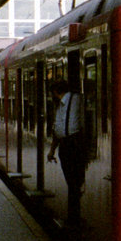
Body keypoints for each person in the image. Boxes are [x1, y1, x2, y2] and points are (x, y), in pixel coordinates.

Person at [47, 79, 85, 227]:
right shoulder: (61, 105)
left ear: (56, 92)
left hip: (73, 144)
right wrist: (52, 150)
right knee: (71, 182)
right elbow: (58, 128)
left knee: (73, 182)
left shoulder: (76, 100)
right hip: (65, 145)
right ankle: (73, 215)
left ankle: (75, 217)